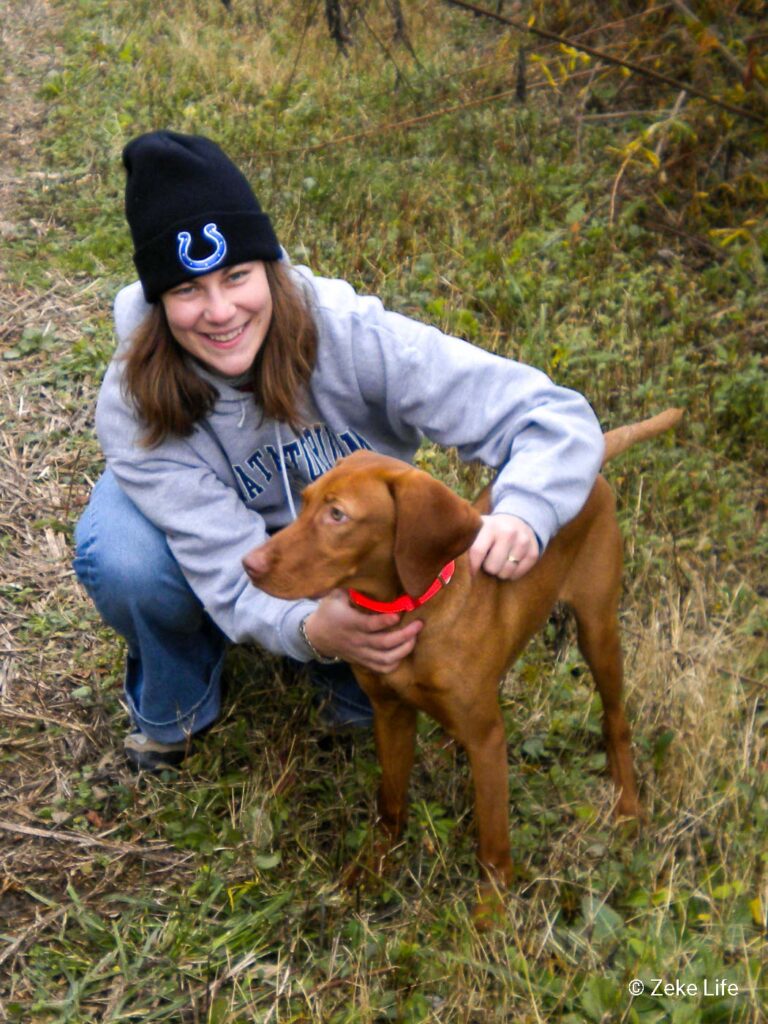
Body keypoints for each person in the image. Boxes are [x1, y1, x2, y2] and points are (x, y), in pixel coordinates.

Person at [73, 130, 604, 771]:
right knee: (127, 560)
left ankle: (345, 674)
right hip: (234, 551)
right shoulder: (133, 402)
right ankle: (180, 701)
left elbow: (552, 415)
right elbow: (222, 561)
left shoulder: (351, 335)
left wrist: (527, 509)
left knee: (367, 656)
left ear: (267, 269)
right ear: (158, 302)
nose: (219, 311)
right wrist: (308, 630)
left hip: (352, 553)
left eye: (236, 275)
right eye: (187, 291)